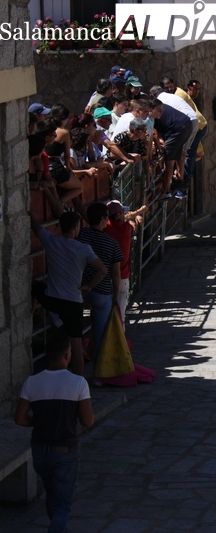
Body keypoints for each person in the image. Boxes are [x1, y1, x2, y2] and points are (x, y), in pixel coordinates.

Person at [14, 334, 94, 533]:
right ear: (67, 355)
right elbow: (88, 420)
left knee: (52, 494)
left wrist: (37, 421)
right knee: (62, 504)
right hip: (65, 449)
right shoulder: (78, 383)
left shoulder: (32, 382)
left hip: (40, 449)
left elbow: (20, 418)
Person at [30, 211, 106, 376]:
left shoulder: (51, 240)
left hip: (52, 299)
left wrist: (29, 212)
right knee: (76, 346)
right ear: (75, 227)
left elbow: (36, 227)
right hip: (72, 302)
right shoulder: (84, 248)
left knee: (34, 286)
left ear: (59, 226)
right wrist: (89, 286)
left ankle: (31, 310)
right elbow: (102, 270)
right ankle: (78, 383)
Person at [77, 202, 123, 360]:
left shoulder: (80, 235)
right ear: (103, 219)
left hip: (79, 289)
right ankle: (98, 374)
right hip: (101, 292)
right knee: (100, 334)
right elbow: (116, 274)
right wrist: (115, 297)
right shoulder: (112, 244)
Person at [104, 200, 146, 330]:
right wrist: (138, 213)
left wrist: (134, 214)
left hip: (105, 279)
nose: (124, 214)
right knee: (120, 316)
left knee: (105, 316)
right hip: (122, 278)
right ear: (117, 215)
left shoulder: (105, 228)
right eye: (122, 212)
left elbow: (125, 218)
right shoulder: (126, 229)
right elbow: (127, 219)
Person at [149, 99, 193, 199]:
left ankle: (166, 190)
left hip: (178, 128)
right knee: (177, 151)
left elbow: (155, 135)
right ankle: (179, 178)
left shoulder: (152, 117)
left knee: (169, 159)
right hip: (187, 125)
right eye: (159, 110)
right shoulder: (157, 113)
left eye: (161, 110)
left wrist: (159, 148)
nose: (161, 112)